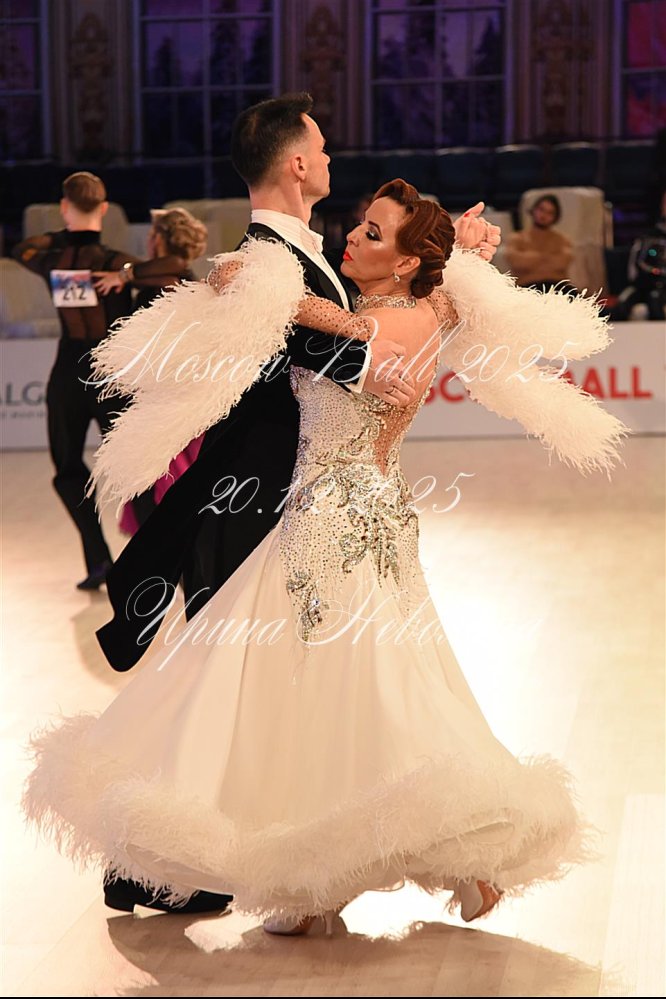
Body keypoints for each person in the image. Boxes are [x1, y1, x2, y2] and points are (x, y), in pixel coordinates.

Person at [24, 178, 627, 936]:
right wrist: (461, 253)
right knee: (371, 685)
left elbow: (282, 304)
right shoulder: (431, 308)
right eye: (361, 224)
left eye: (374, 233)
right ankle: (393, 869)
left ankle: (326, 879)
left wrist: (267, 282)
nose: (353, 237)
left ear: (405, 263)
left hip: (328, 522)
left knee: (314, 688)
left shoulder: (381, 326)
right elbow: (381, 301)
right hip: (373, 518)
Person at [93, 93, 500, 675]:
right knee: (234, 676)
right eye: (322, 148)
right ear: (300, 165)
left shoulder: (308, 256)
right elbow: (278, 330)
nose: (330, 158)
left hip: (317, 504)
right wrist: (357, 361)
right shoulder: (258, 261)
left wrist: (450, 250)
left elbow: (391, 298)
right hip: (251, 498)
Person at [10, 172, 138, 590]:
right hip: (112, 373)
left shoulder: (52, 260)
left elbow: (20, 249)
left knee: (66, 469)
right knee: (138, 470)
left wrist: (61, 236)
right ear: (104, 208)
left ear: (64, 207)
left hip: (68, 374)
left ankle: (99, 559)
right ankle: (154, 561)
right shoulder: (117, 262)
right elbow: (163, 275)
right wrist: (129, 275)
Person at [92, 207, 209, 535]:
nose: (147, 239)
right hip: (179, 395)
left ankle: (158, 557)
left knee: (154, 482)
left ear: (159, 239)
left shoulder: (165, 282)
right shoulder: (189, 281)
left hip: (158, 398)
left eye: (151, 233)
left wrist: (123, 276)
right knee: (171, 481)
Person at [606, 190, 666, 322]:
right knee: (623, 303)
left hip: (661, 288)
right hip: (646, 283)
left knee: (655, 299)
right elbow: (638, 263)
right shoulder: (648, 236)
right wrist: (653, 274)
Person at [506, 193, 575, 294]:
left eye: (550, 212)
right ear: (534, 210)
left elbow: (562, 262)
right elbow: (516, 262)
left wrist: (532, 259)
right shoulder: (517, 238)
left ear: (555, 217)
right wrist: (547, 257)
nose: (544, 215)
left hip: (558, 286)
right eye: (541, 209)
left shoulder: (562, 240)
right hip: (527, 287)